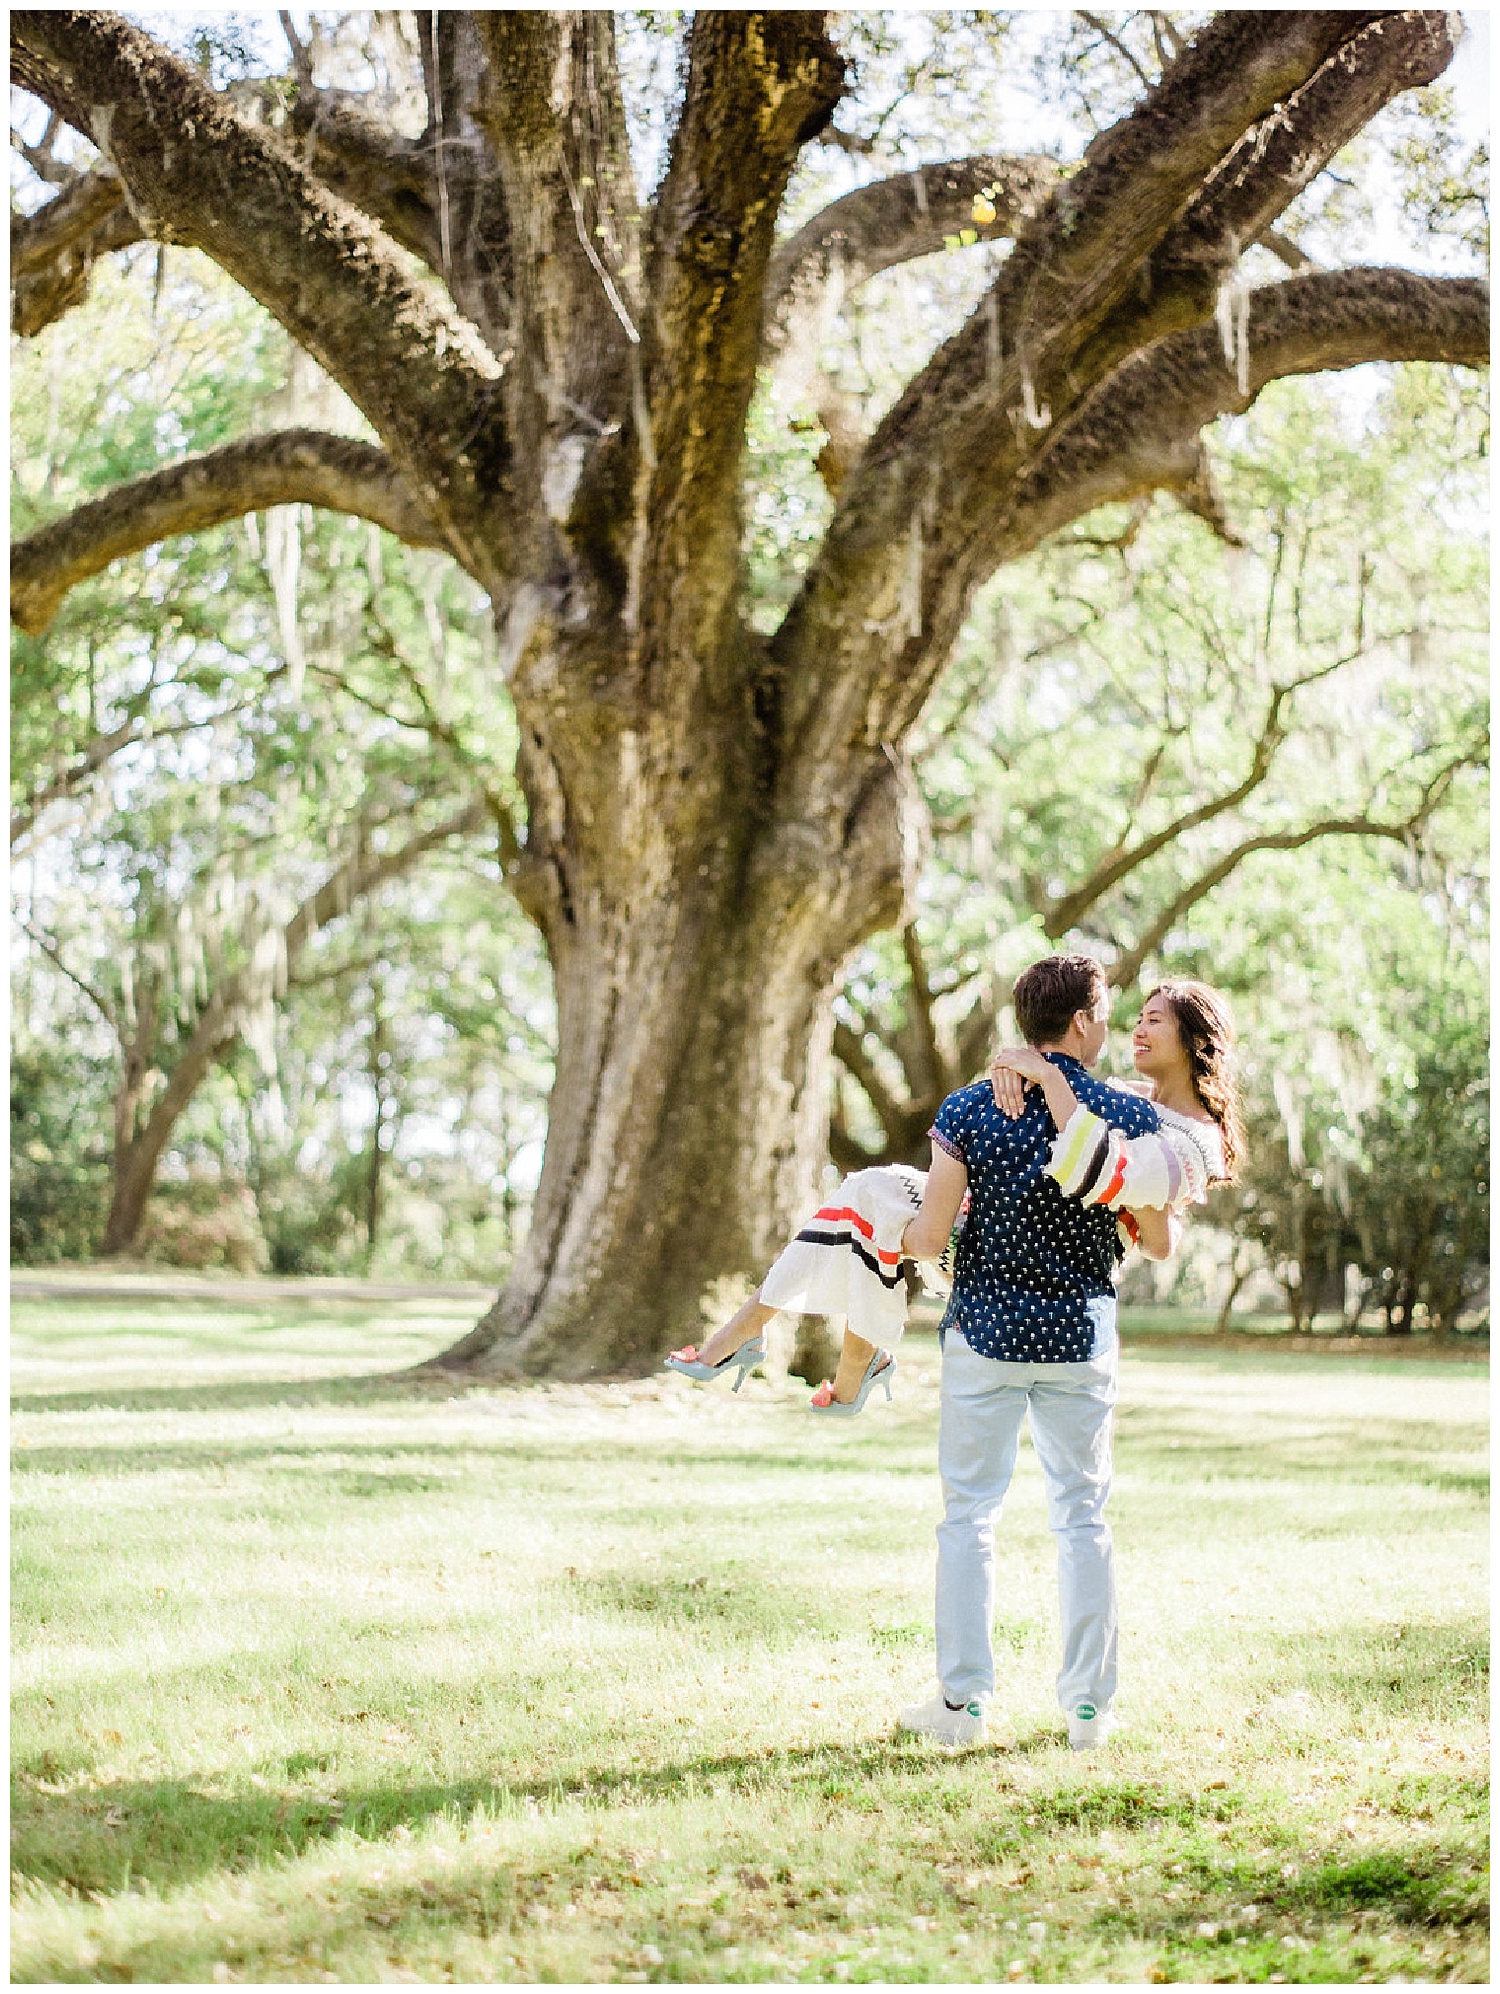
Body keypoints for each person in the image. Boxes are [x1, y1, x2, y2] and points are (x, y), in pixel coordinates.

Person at [898, 967, 1242, 1752]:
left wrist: (900, 1232)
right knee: (1082, 1522)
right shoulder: (1131, 1114)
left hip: (982, 1337)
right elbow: (1156, 1239)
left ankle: (962, 1708)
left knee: (968, 1521)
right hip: (1079, 1342)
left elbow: (929, 1234)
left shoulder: (969, 1108)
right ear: (1084, 1022)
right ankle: (1089, 1711)